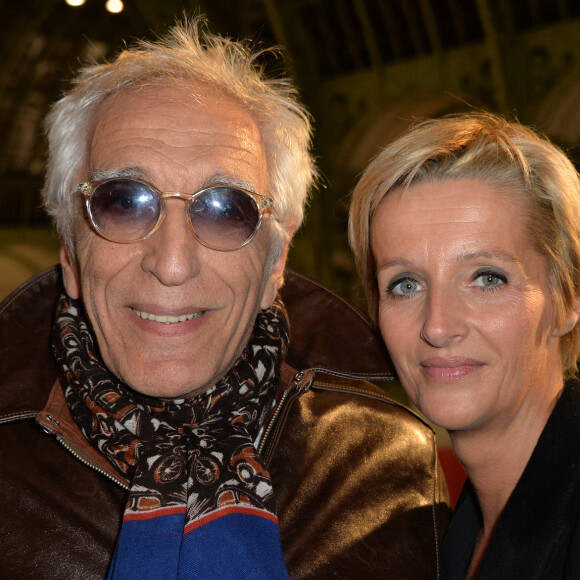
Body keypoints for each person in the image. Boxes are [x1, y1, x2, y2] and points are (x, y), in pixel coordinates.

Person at [0, 17, 449, 579]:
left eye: (225, 210)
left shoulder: (384, 468)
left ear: (274, 261)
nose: (172, 263)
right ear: (69, 249)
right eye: (123, 202)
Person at [349, 111, 580, 579]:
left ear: (567, 300)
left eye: (486, 278)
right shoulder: (447, 538)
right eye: (405, 285)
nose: (437, 326)